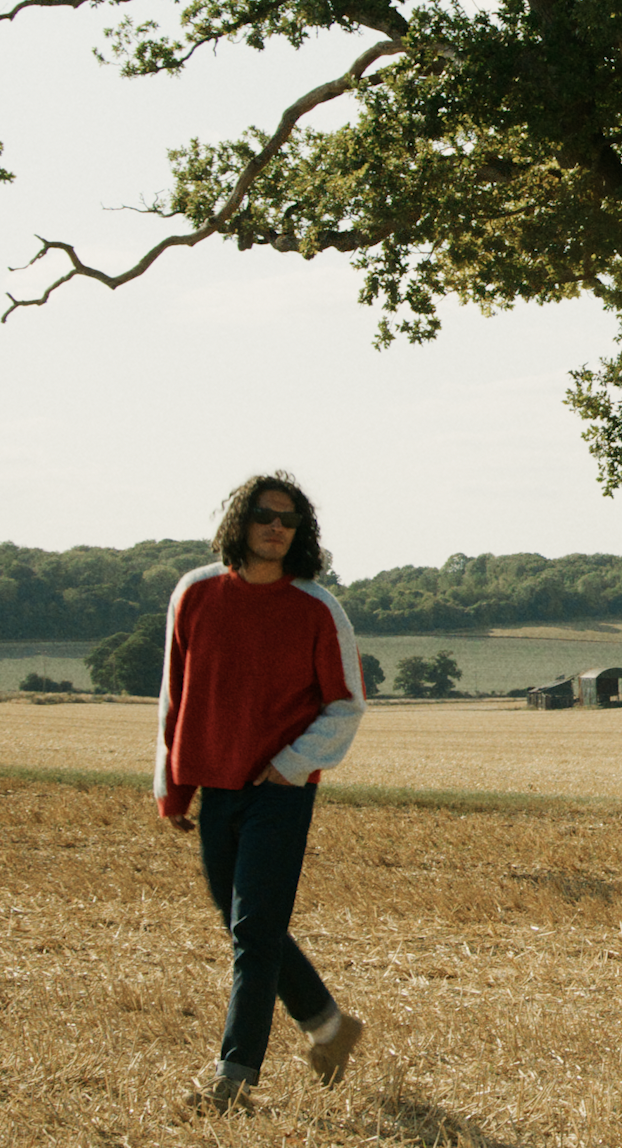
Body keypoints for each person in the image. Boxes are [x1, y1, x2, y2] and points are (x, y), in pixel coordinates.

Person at [156, 472, 368, 1111]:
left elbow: (347, 704)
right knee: (249, 927)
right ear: (240, 522)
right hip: (216, 785)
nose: (276, 528)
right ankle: (331, 1028)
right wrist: (172, 786)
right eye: (264, 516)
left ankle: (232, 1079)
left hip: (281, 790)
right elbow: (175, 694)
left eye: (289, 520)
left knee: (254, 932)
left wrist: (292, 764)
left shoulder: (317, 607)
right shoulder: (194, 593)